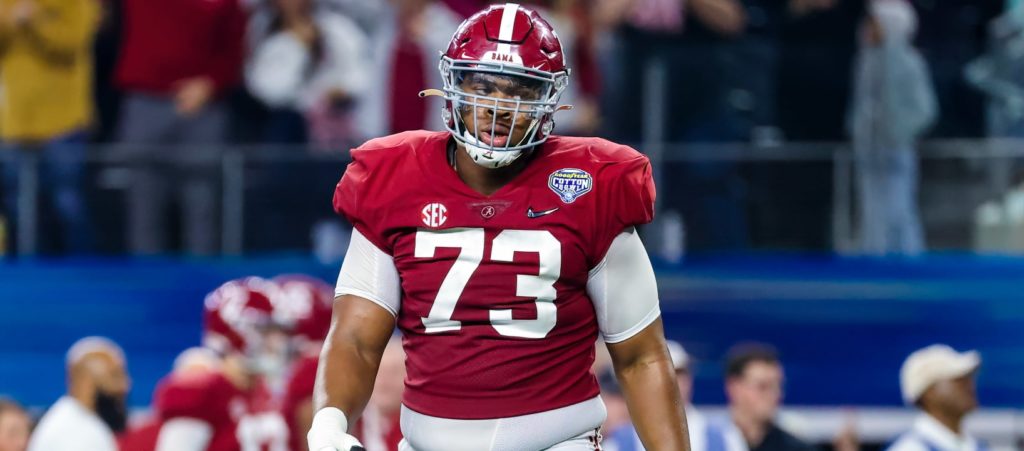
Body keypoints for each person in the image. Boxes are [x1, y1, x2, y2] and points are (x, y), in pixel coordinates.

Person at [309, 4, 688, 451]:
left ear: (549, 101)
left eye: (520, 92)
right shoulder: (393, 178)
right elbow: (356, 337)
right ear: (453, 86)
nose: (498, 108)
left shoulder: (592, 184)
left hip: (558, 440)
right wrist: (329, 421)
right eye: (483, 87)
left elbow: (641, 355)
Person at [114, 0, 246, 255]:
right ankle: (144, 276)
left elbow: (236, 44)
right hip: (145, 101)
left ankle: (201, 278)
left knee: (202, 207)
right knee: (143, 206)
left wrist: (211, 83)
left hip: (204, 105)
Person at [0, 0, 100, 254]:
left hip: (63, 123)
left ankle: (82, 272)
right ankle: (28, 275)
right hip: (13, 122)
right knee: (17, 209)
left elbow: (73, 42)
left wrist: (36, 20)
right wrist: (9, 22)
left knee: (67, 205)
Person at [847, 0, 937, 256]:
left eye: (875, 23)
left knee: (898, 207)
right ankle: (874, 257)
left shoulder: (910, 62)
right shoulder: (865, 62)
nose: (868, 29)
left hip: (896, 150)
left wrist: (898, 132)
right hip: (868, 150)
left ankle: (907, 258)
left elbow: (925, 110)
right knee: (871, 209)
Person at [245, 0, 370, 145]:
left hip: (334, 121)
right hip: (286, 123)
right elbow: (264, 87)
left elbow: (359, 71)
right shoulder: (263, 31)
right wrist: (297, 46)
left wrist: (342, 89)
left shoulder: (335, 28)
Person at [604, 340, 728, 451]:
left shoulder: (721, 437)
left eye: (678, 374)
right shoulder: (619, 441)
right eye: (662, 375)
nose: (672, 382)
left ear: (689, 380)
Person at [27, 337, 130, 451]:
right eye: (114, 376)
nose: (126, 385)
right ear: (85, 381)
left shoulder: (82, 422)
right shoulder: (73, 433)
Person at [887, 345, 984, 451]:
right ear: (928, 393)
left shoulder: (974, 446)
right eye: (957, 380)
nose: (969, 385)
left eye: (968, 378)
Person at [719, 343, 814, 451]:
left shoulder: (797, 448)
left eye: (777, 386)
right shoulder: (709, 444)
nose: (774, 395)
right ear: (734, 387)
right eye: (763, 387)